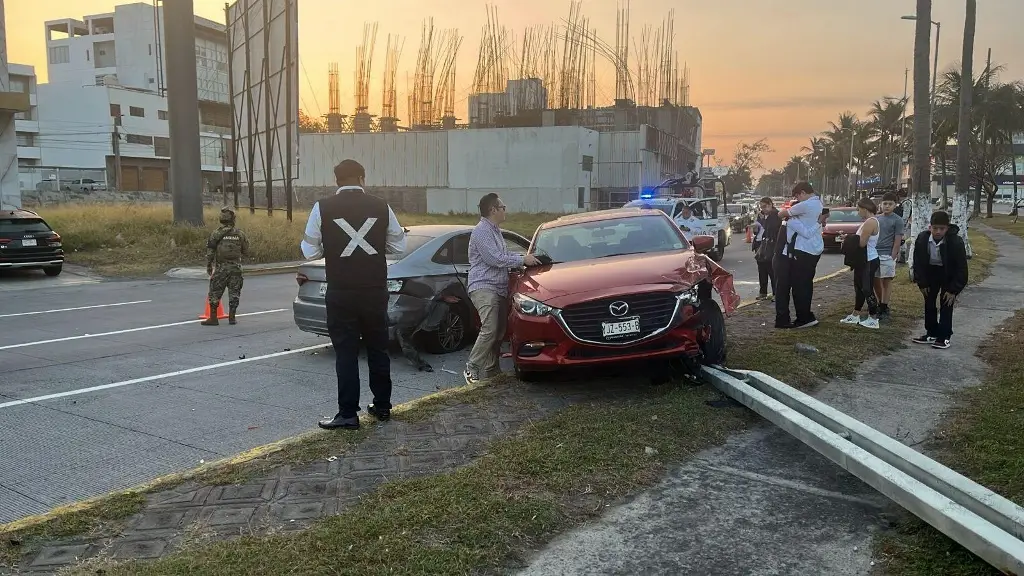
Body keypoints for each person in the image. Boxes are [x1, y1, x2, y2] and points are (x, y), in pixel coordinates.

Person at [301, 159, 407, 430]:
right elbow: (398, 246)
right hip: (374, 290)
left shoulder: (322, 208)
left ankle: (348, 413)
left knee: (346, 353)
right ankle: (382, 406)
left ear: (336, 181)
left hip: (341, 291)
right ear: (362, 178)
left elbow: (310, 251)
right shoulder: (381, 206)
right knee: (378, 348)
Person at [465, 193, 542, 384]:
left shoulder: (495, 231)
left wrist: (523, 263)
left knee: (499, 331)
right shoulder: (482, 230)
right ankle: (471, 367)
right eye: (503, 207)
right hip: (484, 286)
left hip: (498, 288)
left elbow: (504, 255)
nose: (505, 210)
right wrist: (522, 259)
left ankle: (492, 370)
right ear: (493, 210)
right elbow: (494, 258)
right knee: (490, 328)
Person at [911, 211, 968, 350]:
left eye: (941, 229)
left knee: (946, 303)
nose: (937, 231)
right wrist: (922, 282)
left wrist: (953, 290)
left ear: (947, 228)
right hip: (931, 272)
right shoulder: (922, 238)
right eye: (934, 228)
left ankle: (944, 336)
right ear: (930, 227)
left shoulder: (955, 242)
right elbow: (917, 262)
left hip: (949, 274)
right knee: (929, 302)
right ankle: (931, 332)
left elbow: (961, 268)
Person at [774, 182, 825, 329]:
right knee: (805, 284)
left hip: (803, 251)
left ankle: (804, 317)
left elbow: (781, 213)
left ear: (802, 193)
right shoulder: (818, 205)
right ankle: (805, 315)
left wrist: (790, 213)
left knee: (799, 286)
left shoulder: (805, 206)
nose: (799, 199)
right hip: (813, 249)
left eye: (797, 196)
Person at [201, 207, 249, 326]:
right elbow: (246, 250)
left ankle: (213, 318)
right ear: (233, 219)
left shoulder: (216, 233)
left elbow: (210, 251)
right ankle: (232, 318)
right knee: (234, 293)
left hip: (221, 268)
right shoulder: (240, 234)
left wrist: (209, 265)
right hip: (236, 268)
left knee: (215, 292)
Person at [839, 197, 881, 329]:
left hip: (868, 259)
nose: (858, 212)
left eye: (859, 209)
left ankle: (873, 317)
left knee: (867, 289)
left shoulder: (871, 222)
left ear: (865, 208)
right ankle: (856, 313)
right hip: (862, 260)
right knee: (859, 288)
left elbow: (862, 243)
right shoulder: (868, 222)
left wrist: (849, 239)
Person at [873, 192, 904, 320]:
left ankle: (885, 305)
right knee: (875, 280)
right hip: (874, 254)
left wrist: (893, 255)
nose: (887, 206)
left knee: (886, 281)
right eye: (885, 203)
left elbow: (898, 240)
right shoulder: (877, 219)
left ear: (895, 205)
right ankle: (879, 303)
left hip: (887, 255)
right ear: (881, 204)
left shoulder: (897, 220)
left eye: (890, 204)